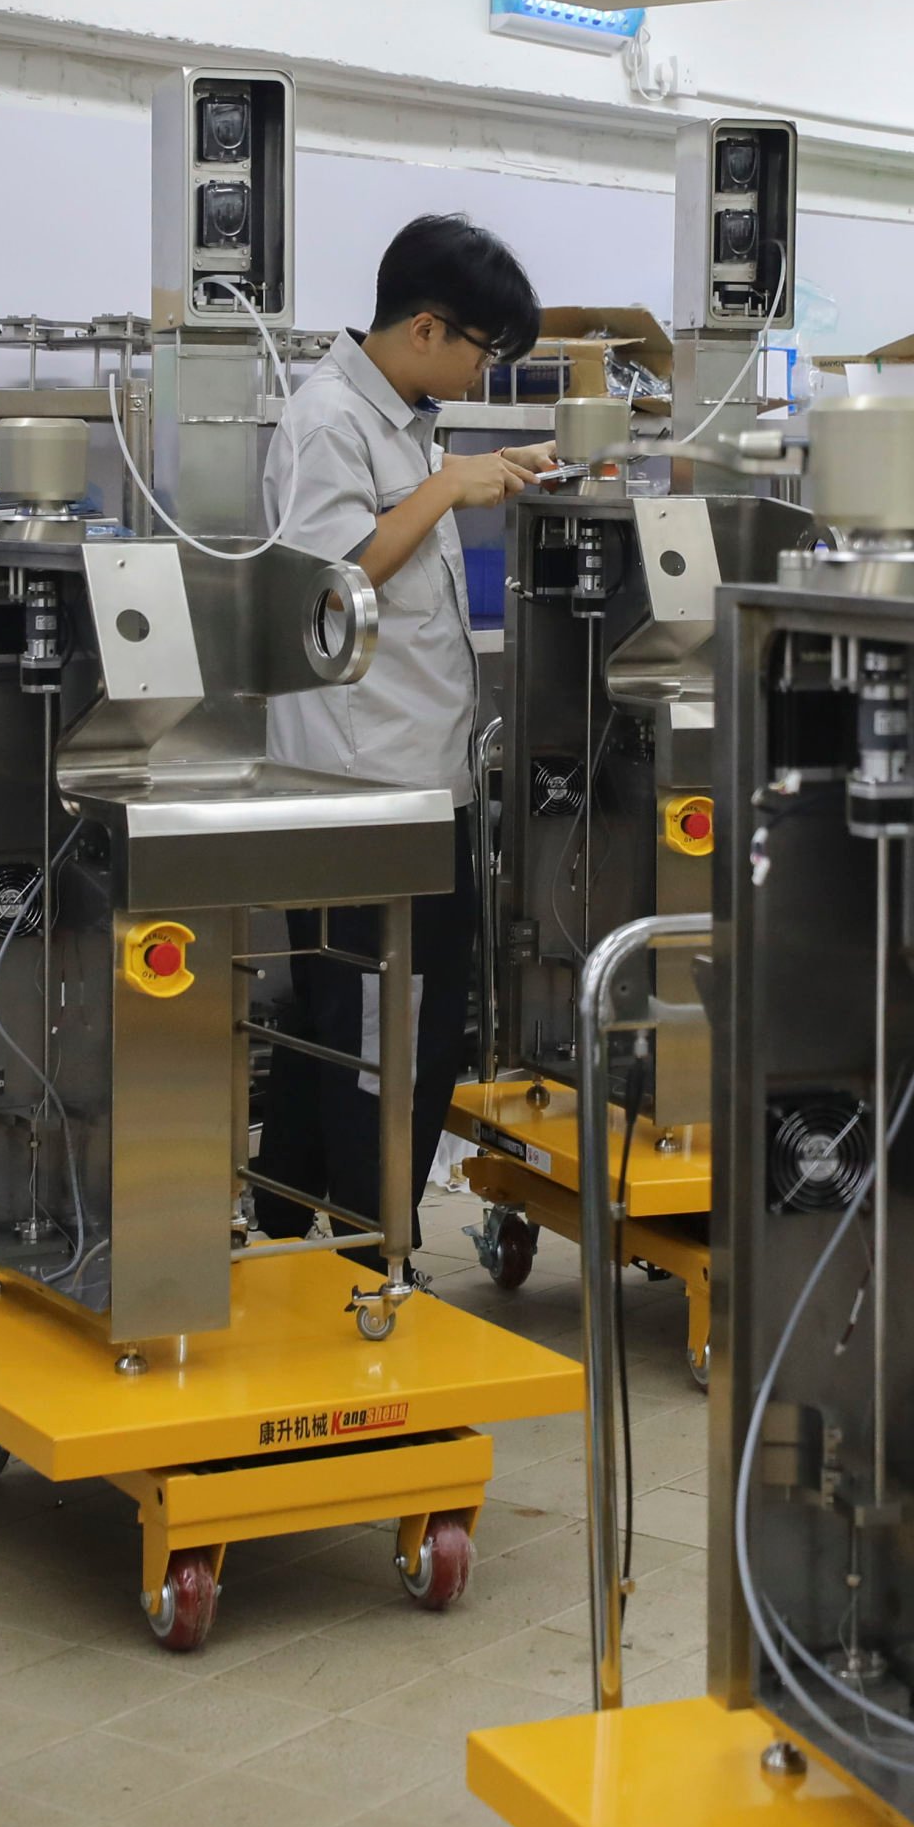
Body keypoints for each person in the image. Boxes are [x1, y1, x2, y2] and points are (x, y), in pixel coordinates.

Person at [253, 214, 551, 1253]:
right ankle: (374, 1262)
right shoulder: (329, 421)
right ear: (427, 327)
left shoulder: (398, 421)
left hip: (415, 781)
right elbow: (323, 587)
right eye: (480, 347)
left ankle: (294, 1224)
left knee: (341, 1030)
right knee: (393, 1042)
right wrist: (445, 488)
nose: (481, 370)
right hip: (361, 789)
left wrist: (462, 473)